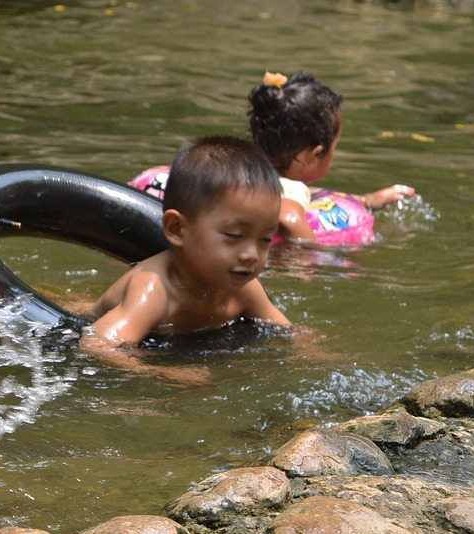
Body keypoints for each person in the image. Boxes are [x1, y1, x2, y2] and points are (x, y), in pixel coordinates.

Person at [82, 136, 288, 366]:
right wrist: (169, 375)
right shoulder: (155, 290)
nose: (251, 254)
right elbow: (97, 344)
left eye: (265, 239)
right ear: (177, 229)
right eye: (235, 235)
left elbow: (289, 334)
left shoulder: (245, 289)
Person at [247, 71, 414, 244]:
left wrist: (367, 200)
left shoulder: (250, 173)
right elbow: (288, 217)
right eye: (334, 147)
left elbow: (311, 193)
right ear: (315, 154)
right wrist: (310, 257)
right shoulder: (292, 190)